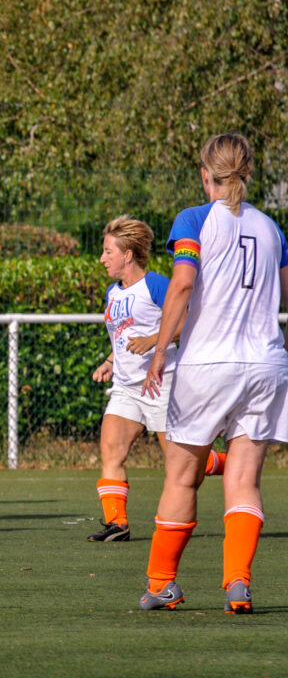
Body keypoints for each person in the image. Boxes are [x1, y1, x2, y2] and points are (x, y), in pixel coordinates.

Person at [138, 133, 288, 614]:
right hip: (266, 364)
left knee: (182, 478)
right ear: (249, 174)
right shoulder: (273, 229)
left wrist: (160, 350)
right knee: (243, 479)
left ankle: (163, 584)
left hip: (208, 365)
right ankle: (237, 584)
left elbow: (182, 285)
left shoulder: (194, 220)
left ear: (206, 174)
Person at [88, 215, 225, 542]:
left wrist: (154, 340)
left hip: (164, 385)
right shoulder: (113, 293)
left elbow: (189, 323)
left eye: (109, 252)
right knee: (110, 450)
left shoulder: (156, 285)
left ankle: (220, 462)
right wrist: (109, 360)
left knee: (187, 469)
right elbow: (122, 335)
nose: (103, 258)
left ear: (128, 255)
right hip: (126, 388)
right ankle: (117, 524)